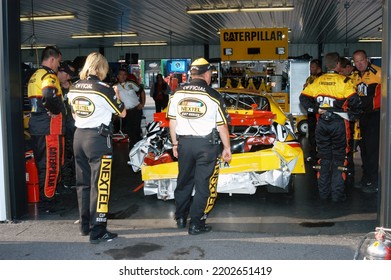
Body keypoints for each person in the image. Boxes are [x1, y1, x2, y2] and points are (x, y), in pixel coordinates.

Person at [167, 58, 232, 235]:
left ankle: (180, 218)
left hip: (184, 143)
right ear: (207, 74)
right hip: (206, 145)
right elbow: (222, 126)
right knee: (203, 184)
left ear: (192, 74)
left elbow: (172, 121)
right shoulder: (213, 95)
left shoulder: (177, 93)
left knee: (184, 181)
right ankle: (196, 223)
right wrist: (227, 148)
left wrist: (174, 143)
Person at [67, 52, 126, 243]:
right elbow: (122, 112)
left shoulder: (74, 86)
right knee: (100, 185)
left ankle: (85, 227)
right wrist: (116, 94)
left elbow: (75, 115)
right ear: (102, 68)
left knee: (83, 184)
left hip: (79, 137)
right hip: (98, 139)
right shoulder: (103, 89)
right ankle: (98, 229)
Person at [299, 52, 361, 203]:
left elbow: (303, 98)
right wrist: (351, 116)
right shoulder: (344, 81)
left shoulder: (317, 81)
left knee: (324, 158)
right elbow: (356, 102)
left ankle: (324, 194)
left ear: (326, 65)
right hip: (339, 123)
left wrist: (315, 110)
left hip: (322, 124)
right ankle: (337, 195)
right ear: (338, 65)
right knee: (340, 159)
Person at [27, 45, 65, 213]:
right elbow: (48, 95)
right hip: (49, 128)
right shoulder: (49, 75)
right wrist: (56, 110)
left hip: (37, 126)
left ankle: (47, 198)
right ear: (52, 59)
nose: (58, 65)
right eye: (58, 61)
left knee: (43, 163)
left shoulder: (34, 75)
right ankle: (47, 202)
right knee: (51, 165)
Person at [351, 50, 381, 193]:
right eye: (356, 62)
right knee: (363, 149)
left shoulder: (378, 73)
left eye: (361, 60)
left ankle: (375, 181)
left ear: (367, 59)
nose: (359, 64)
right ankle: (366, 178)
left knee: (372, 150)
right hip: (361, 117)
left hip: (374, 116)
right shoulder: (354, 76)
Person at [114, 69, 145, 151]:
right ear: (118, 76)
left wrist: (142, 104)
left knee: (136, 130)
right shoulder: (115, 87)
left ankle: (136, 149)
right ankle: (132, 149)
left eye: (124, 74)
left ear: (126, 76)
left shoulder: (131, 83)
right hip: (125, 112)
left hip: (136, 110)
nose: (123, 76)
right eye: (121, 74)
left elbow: (141, 91)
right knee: (128, 130)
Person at [57, 62, 76, 188]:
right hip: (59, 126)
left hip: (73, 125)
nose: (69, 77)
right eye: (68, 74)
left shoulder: (74, 87)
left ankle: (73, 178)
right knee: (64, 154)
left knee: (75, 153)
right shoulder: (54, 86)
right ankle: (65, 180)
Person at [303, 59, 323, 163]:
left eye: (313, 67)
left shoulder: (322, 78)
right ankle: (313, 154)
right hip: (311, 110)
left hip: (319, 110)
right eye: (310, 67)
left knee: (319, 133)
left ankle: (320, 155)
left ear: (318, 67)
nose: (311, 69)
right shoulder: (310, 78)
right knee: (311, 133)